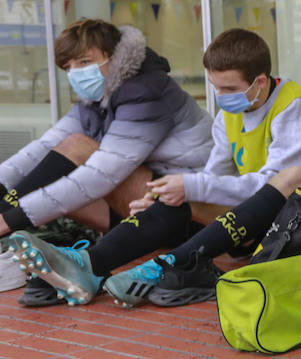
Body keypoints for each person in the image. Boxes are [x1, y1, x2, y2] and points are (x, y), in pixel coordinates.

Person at [4, 28, 301, 307]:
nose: (220, 97)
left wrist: (191, 187)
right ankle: (90, 267)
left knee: (195, 189)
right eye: (215, 87)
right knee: (173, 196)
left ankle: (114, 265)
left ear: (260, 81)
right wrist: (171, 194)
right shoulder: (231, 111)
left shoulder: (296, 108)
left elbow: (276, 185)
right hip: (261, 216)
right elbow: (215, 178)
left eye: (229, 88)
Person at [0, 19, 212, 305]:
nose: (76, 73)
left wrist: (9, 219)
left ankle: (82, 264)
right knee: (64, 153)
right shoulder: (98, 97)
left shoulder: (147, 91)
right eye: (69, 67)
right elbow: (43, 148)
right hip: (142, 208)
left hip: (188, 215)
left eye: (84, 61)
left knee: (80, 154)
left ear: (115, 56)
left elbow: (100, 176)